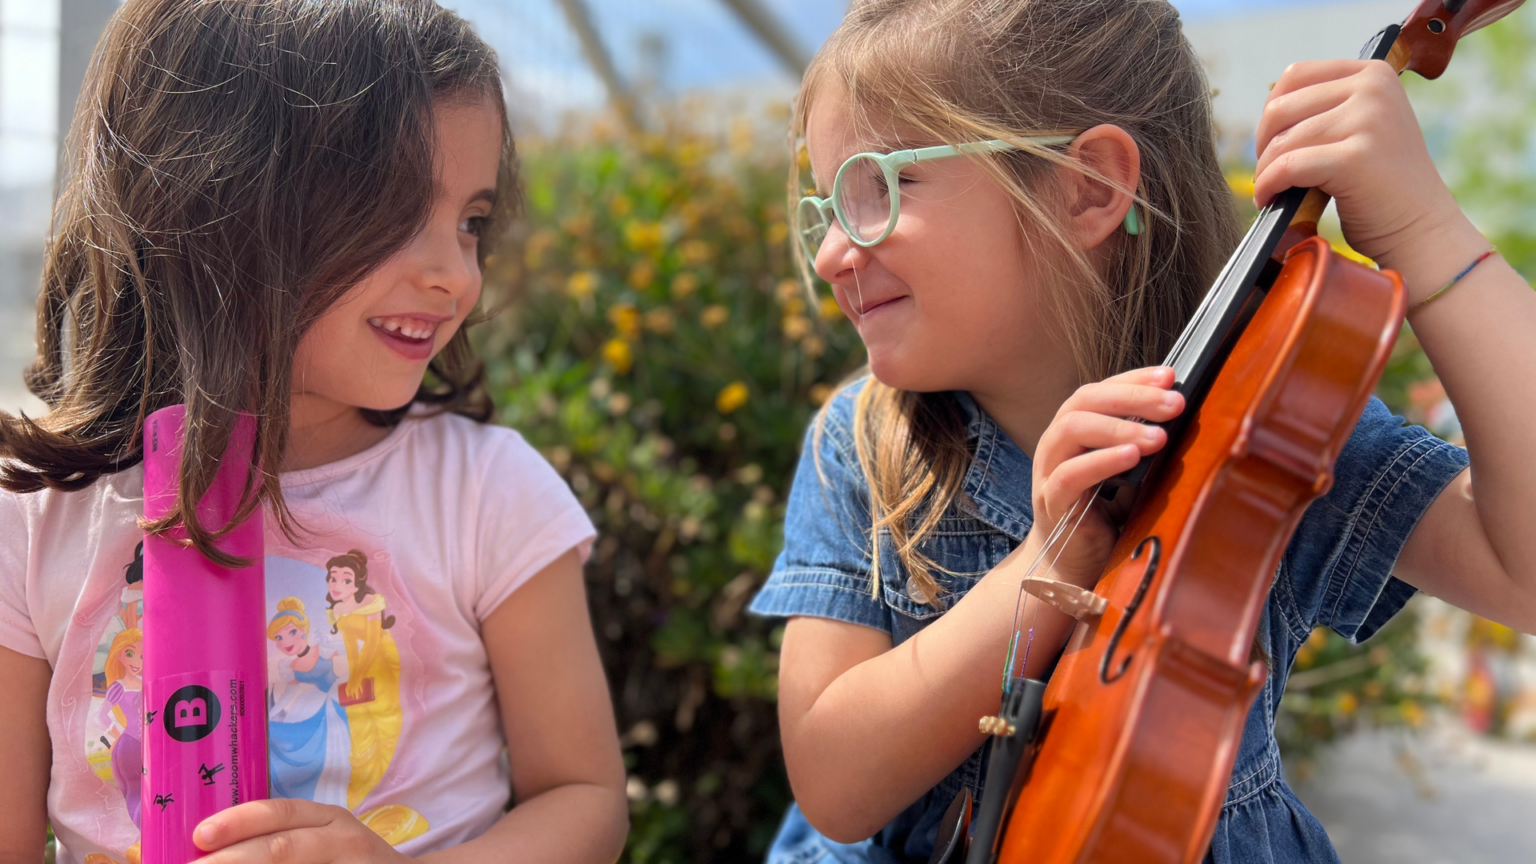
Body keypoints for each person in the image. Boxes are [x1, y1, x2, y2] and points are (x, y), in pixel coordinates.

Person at [748, 0, 1536, 861]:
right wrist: (1047, 560)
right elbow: (833, 784)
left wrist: (1426, 233)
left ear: (1089, 186)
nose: (830, 254)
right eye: (828, 204)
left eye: (875, 187)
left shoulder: (1263, 424)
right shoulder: (862, 443)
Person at [0, 1, 627, 862]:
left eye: (471, 222)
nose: (454, 274)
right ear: (219, 196)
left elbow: (584, 798)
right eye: (396, 210)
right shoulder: (35, 517)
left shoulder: (488, 494)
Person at [267, 598, 353, 809]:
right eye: (279, 637)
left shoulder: (324, 650)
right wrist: (272, 716)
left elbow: (350, 666)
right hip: (309, 715)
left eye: (291, 632)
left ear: (304, 629)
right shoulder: (292, 665)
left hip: (333, 710)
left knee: (338, 761)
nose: (285, 640)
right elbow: (289, 694)